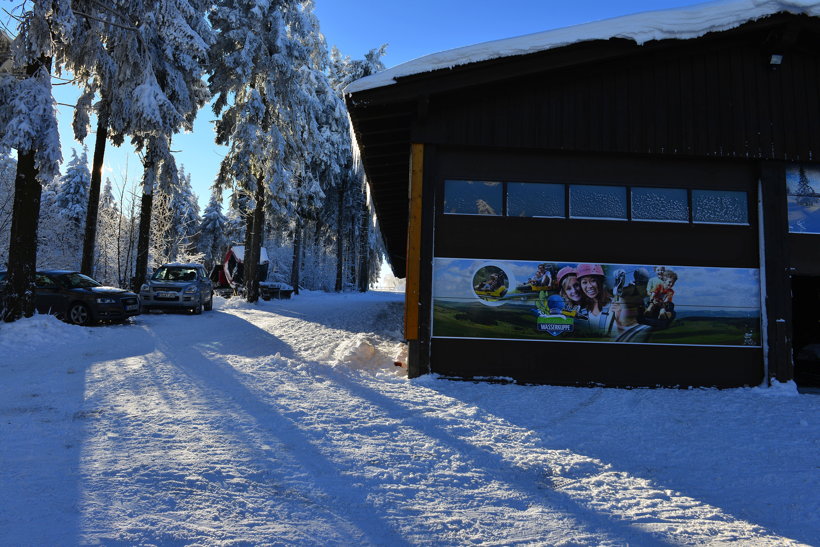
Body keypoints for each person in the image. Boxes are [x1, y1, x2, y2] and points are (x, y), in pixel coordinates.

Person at [575, 263, 614, 337]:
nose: (589, 286)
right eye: (584, 282)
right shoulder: (579, 309)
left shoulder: (614, 305)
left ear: (600, 281)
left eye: (593, 280)